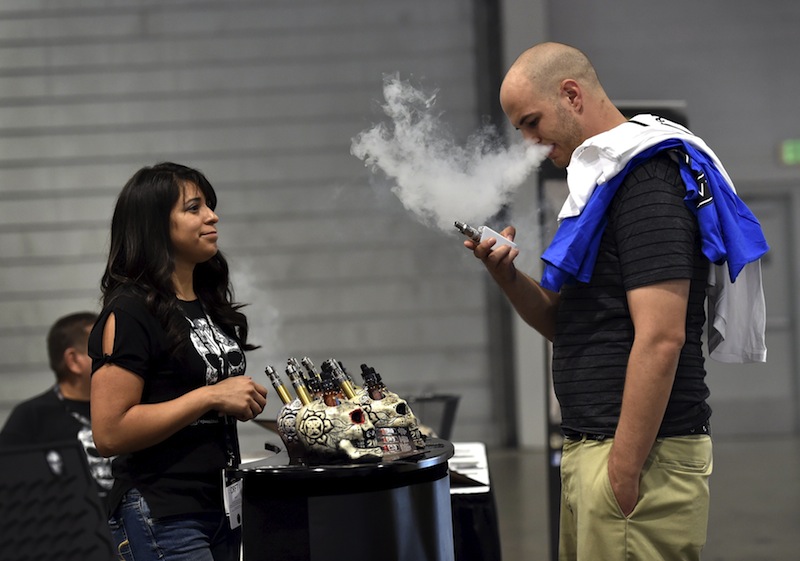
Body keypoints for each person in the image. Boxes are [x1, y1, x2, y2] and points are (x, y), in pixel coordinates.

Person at [465, 42, 768, 561]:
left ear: (571, 94)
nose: (531, 144)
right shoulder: (599, 185)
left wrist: (622, 473)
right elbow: (573, 326)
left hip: (636, 461)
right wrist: (507, 276)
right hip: (596, 452)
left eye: (533, 122)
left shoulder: (646, 180)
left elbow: (662, 336)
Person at [89, 162, 269, 561]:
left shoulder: (206, 303)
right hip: (164, 510)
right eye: (194, 208)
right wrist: (210, 397)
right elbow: (109, 433)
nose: (212, 216)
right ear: (155, 225)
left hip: (219, 506)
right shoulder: (130, 311)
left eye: (210, 205)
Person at [0, 311, 114, 503]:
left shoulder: (125, 406)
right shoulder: (32, 416)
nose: (115, 357)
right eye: (102, 348)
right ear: (74, 360)